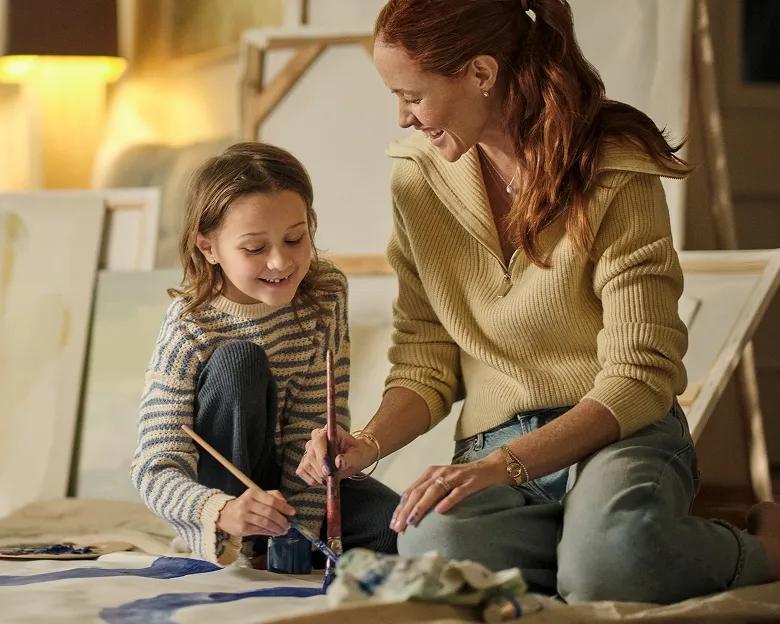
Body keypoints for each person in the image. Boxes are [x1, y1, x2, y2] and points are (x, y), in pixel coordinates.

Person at [296, 0, 780, 603]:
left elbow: (640, 376)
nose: (402, 118)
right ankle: (607, 540)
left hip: (615, 433)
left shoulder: (615, 169)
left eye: (413, 96)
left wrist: (506, 467)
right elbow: (426, 360)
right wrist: (365, 444)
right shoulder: (417, 182)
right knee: (425, 542)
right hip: (492, 442)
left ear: (479, 73)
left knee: (611, 571)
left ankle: (754, 545)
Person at [131, 142, 398, 567]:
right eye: (254, 249)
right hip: (223, 494)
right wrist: (221, 511)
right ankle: (233, 542)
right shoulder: (189, 327)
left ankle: (271, 543)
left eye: (295, 238)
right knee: (241, 361)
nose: (280, 262)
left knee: (400, 529)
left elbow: (315, 422)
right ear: (208, 248)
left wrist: (302, 538)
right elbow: (154, 467)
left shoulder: (326, 294)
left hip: (293, 490)